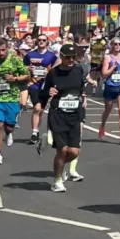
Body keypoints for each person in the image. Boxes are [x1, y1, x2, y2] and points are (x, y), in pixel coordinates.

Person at [40, 44, 87, 191]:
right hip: (58, 114)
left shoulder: (79, 70)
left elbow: (81, 88)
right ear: (61, 57)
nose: (71, 60)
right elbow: (43, 92)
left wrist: (83, 98)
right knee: (62, 150)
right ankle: (57, 180)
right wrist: (49, 91)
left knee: (73, 152)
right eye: (68, 57)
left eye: (73, 57)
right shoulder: (53, 73)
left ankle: (60, 169)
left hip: (74, 114)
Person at [0, 38, 30, 165]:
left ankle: (9, 132)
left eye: (3, 50)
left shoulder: (15, 61)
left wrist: (14, 78)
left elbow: (27, 75)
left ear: (8, 49)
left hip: (12, 97)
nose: (1, 53)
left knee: (9, 126)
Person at [24, 35, 58, 144]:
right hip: (33, 85)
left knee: (41, 110)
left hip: (45, 86)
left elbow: (56, 69)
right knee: (37, 108)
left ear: (47, 42)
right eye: (39, 40)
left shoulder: (52, 56)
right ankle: (34, 133)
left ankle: (36, 129)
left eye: (44, 40)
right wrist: (28, 68)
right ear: (36, 41)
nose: (41, 42)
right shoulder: (30, 55)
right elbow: (22, 67)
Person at [99, 38, 120, 143]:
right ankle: (102, 125)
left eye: (119, 44)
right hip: (110, 86)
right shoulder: (108, 58)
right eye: (115, 44)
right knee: (108, 109)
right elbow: (104, 74)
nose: (117, 46)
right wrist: (114, 66)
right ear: (111, 45)